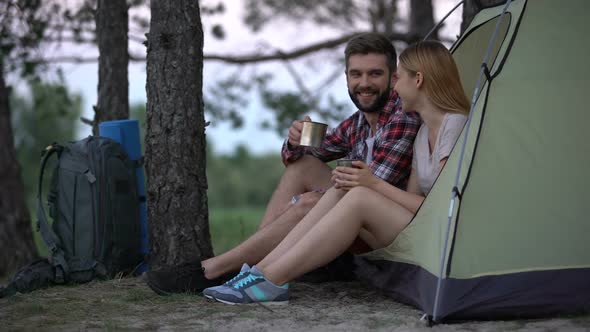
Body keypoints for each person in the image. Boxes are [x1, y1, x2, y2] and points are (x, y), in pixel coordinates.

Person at [145, 32, 420, 295]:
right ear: (346, 78)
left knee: (310, 203)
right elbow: (298, 158)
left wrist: (304, 203)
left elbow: (371, 188)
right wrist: (295, 139)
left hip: (382, 225)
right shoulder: (359, 121)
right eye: (356, 74)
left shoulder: (401, 118)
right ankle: (249, 267)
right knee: (303, 166)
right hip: (355, 213)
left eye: (375, 74)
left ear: (394, 78)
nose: (364, 83)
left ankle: (216, 270)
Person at [203, 40, 471, 305]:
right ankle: (259, 272)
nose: (395, 86)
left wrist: (369, 185)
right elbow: (315, 154)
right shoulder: (423, 131)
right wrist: (297, 140)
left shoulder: (449, 125)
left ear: (418, 80)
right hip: (406, 221)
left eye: (396, 77)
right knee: (340, 186)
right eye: (356, 74)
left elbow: (440, 206)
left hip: (432, 230)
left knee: (356, 195)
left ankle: (270, 278)